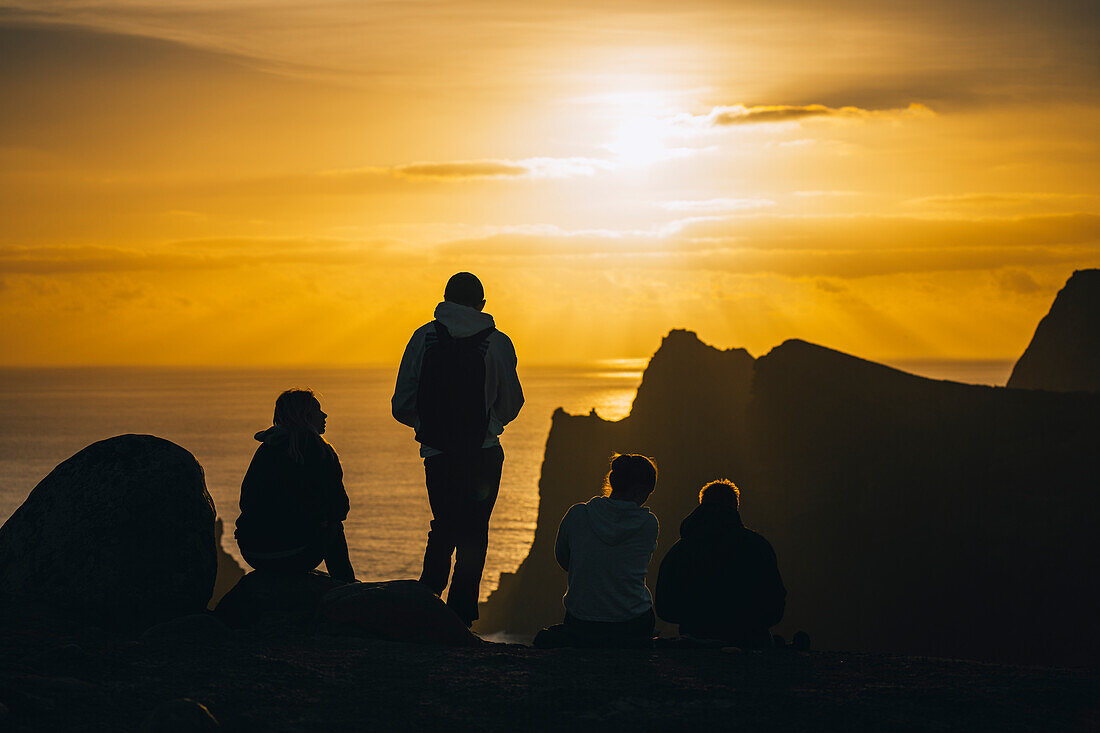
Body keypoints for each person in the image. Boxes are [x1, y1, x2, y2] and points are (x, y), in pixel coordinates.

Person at [391, 272, 524, 627]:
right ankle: (461, 614)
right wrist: (489, 426)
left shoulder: (423, 338)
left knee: (444, 526)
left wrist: (428, 427)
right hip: (483, 453)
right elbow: (511, 403)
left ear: (445, 300)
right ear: (482, 304)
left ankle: (427, 597)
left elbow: (402, 402)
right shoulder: (497, 343)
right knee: (475, 530)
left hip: (438, 454)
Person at [533, 454, 659, 648]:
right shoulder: (649, 524)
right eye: (647, 493)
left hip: (582, 622)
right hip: (633, 623)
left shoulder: (577, 514)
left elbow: (564, 560)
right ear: (638, 491)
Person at [234, 388, 355, 582]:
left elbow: (246, 501)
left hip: (253, 553)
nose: (324, 415)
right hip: (293, 554)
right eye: (318, 410)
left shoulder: (266, 449)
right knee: (334, 527)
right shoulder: (320, 452)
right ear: (305, 416)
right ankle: (346, 586)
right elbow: (340, 509)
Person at [654, 479, 785, 648]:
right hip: (750, 639)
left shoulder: (681, 550)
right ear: (735, 506)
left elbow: (665, 607)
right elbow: (775, 602)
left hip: (695, 638)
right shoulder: (758, 546)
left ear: (701, 506)